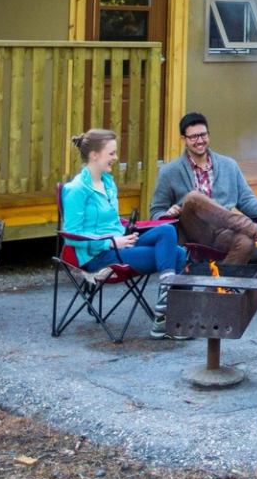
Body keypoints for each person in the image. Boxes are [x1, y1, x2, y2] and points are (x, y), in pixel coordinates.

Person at [62, 128, 186, 339]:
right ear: (94, 155)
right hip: (98, 256)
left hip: (121, 242)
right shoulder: (76, 190)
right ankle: (163, 320)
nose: (115, 158)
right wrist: (110, 243)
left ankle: (164, 305)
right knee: (176, 255)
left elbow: (112, 222)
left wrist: (124, 235)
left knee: (166, 230)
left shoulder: (108, 183)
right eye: (111, 153)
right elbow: (71, 236)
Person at [148, 111, 257, 263]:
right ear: (184, 139)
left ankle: (218, 287)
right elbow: (156, 212)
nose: (200, 141)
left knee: (246, 243)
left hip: (223, 232)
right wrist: (167, 214)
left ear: (209, 135)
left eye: (203, 135)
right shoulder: (169, 172)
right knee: (193, 198)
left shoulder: (229, 165)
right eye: (194, 137)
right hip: (192, 232)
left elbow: (247, 202)